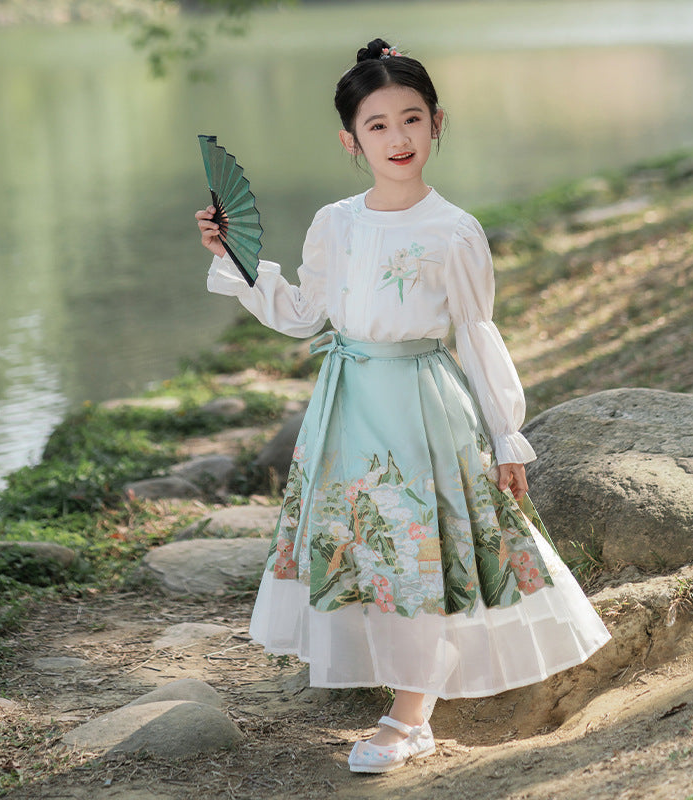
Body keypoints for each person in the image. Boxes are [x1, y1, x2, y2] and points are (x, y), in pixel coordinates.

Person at [195, 38, 610, 775]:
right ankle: (401, 688)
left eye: (412, 119)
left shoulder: (452, 230)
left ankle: (410, 716)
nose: (398, 138)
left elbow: (478, 337)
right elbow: (302, 313)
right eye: (378, 124)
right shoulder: (336, 222)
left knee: (419, 548)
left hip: (421, 403)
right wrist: (232, 257)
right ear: (350, 138)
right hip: (346, 404)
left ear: (437, 124)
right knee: (363, 546)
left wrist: (507, 436)